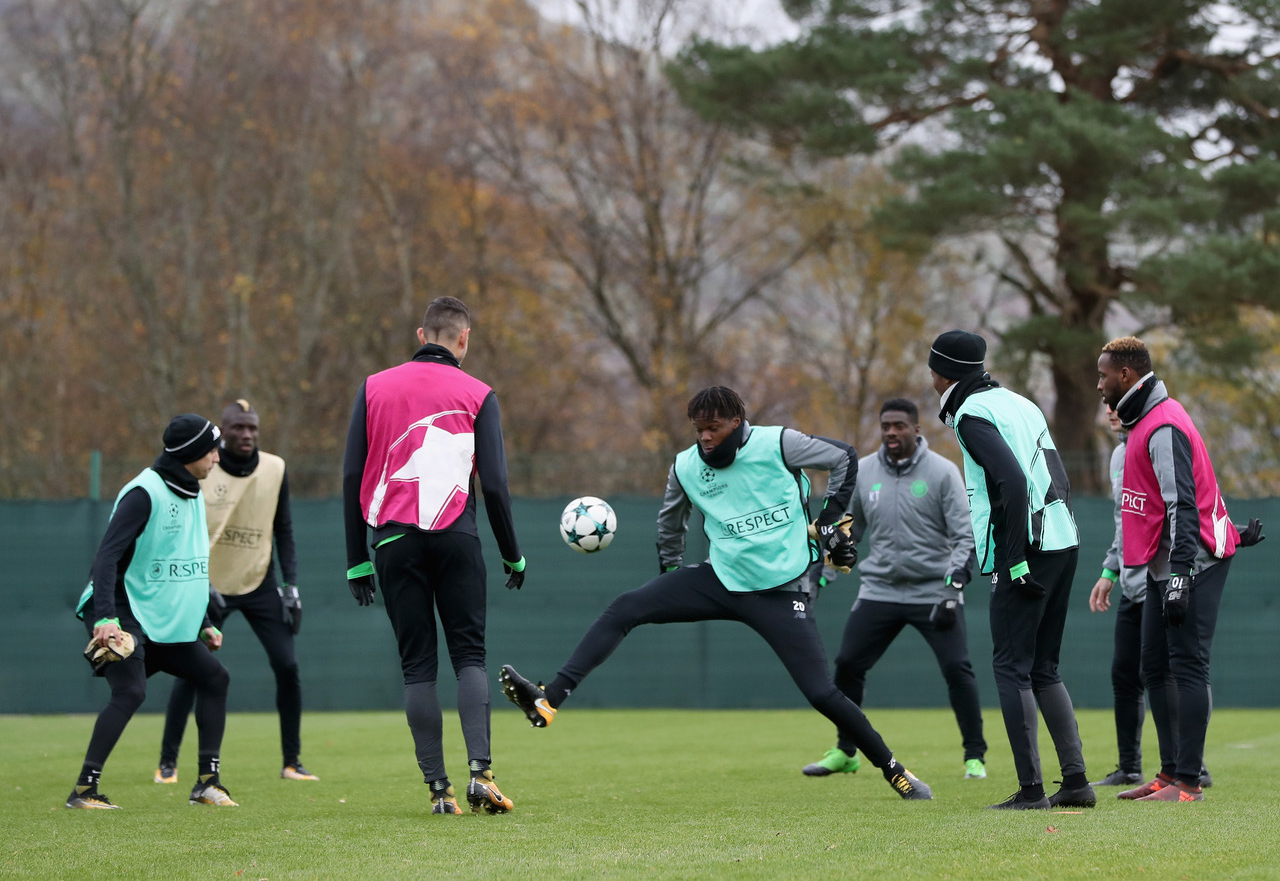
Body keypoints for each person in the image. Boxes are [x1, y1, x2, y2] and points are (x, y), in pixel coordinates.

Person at [499, 386, 933, 801]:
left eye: (714, 427)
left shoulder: (778, 443)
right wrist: (667, 579)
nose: (705, 436)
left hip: (783, 589)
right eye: (698, 428)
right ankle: (548, 700)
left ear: (738, 421)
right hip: (720, 581)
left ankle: (895, 770)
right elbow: (671, 523)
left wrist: (831, 520)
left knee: (821, 693)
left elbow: (844, 456)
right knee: (626, 607)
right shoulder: (686, 465)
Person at [342, 296, 525, 816]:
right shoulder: (479, 393)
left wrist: (357, 557)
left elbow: (353, 476)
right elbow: (496, 484)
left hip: (394, 542)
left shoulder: (374, 386)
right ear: (463, 340)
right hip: (457, 539)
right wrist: (513, 555)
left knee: (417, 670)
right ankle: (480, 774)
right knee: (469, 658)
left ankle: (440, 791)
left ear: (422, 335)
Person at [928, 330, 1091, 810]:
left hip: (1026, 550)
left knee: (1010, 668)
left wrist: (1014, 557)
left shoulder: (971, 413)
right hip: (1063, 538)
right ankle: (1076, 783)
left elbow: (1012, 481)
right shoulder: (1019, 402)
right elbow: (1051, 472)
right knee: (1044, 666)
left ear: (944, 371)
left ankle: (1032, 790)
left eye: (932, 366)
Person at [801, 398, 987, 781]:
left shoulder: (943, 473)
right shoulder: (864, 472)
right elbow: (845, 535)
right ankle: (846, 751)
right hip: (879, 589)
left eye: (899, 426)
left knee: (957, 669)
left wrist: (953, 587)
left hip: (933, 592)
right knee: (848, 664)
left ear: (916, 430)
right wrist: (822, 577)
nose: (890, 432)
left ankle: (975, 758)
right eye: (885, 425)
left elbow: (964, 536)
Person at [1096, 336, 1244, 803]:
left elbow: (1183, 503)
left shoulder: (1163, 425)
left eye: (1103, 375)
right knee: (1153, 666)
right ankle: (1166, 774)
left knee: (1188, 666)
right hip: (1162, 566)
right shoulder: (1140, 424)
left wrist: (1179, 573)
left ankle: (1190, 783)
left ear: (1125, 375)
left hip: (1192, 565)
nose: (1099, 386)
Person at [66, 414, 237, 809]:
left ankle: (207, 783)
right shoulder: (145, 492)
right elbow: (106, 558)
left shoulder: (190, 491)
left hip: (159, 617)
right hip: (123, 608)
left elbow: (187, 565)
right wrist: (106, 617)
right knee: (131, 691)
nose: (216, 457)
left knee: (215, 677)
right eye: (211, 449)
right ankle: (84, 791)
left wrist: (204, 622)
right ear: (191, 453)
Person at [155, 399, 316, 785]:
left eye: (252, 428)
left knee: (288, 666)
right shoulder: (202, 468)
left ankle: (292, 761)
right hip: (207, 585)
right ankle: (167, 763)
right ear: (222, 433)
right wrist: (198, 584)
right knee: (190, 670)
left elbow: (285, 530)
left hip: (258, 582)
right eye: (237, 428)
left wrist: (290, 586)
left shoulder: (276, 468)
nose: (246, 434)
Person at [1086, 405, 1149, 788]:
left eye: (1115, 402)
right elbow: (1122, 520)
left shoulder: (1153, 443)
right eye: (1106, 403)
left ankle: (1191, 766)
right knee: (1124, 674)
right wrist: (1111, 571)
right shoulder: (1118, 452)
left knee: (1170, 673)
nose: (1109, 410)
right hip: (1131, 581)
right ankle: (1130, 766)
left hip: (1161, 579)